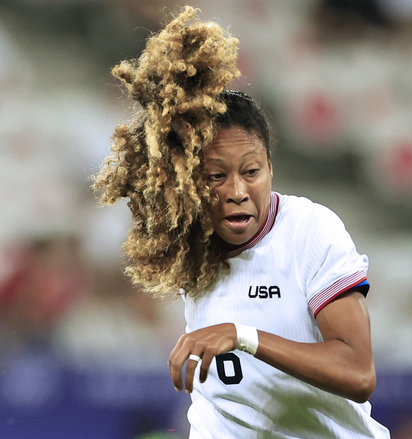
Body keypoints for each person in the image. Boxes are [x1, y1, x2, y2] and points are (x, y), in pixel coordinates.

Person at [92, 6, 390, 438]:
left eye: (251, 172)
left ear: (270, 168)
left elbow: (359, 374)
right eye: (216, 176)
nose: (236, 191)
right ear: (191, 180)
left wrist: (242, 336)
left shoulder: (310, 229)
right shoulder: (185, 237)